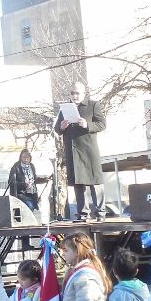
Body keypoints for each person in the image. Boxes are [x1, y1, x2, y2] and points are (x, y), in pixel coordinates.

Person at [54, 81, 107, 222]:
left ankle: (100, 213)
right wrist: (62, 126)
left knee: (95, 182)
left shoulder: (93, 105)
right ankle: (83, 213)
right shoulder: (65, 108)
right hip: (73, 151)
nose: (74, 95)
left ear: (84, 93)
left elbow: (102, 124)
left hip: (89, 150)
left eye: (77, 93)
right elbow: (57, 129)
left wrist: (87, 124)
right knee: (78, 183)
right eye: (72, 93)